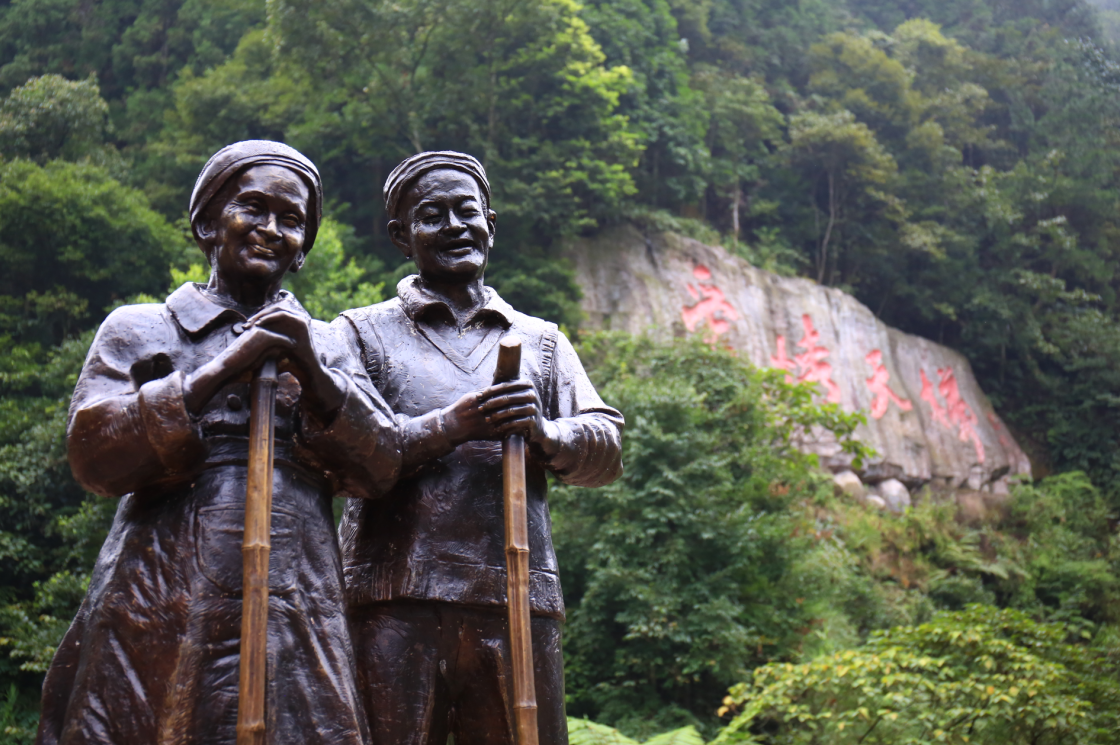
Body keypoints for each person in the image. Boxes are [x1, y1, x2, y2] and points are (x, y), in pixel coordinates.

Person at [36, 140, 400, 745]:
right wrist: (221, 369)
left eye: (291, 221)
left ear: (305, 248)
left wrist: (311, 369)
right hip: (161, 584)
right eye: (251, 208)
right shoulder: (139, 327)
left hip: (296, 596)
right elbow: (93, 455)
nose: (270, 229)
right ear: (208, 221)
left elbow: (382, 466)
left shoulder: (332, 346)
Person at [334, 151, 624, 745]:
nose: (454, 227)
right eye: (432, 216)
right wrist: (453, 424)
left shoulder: (540, 342)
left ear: (491, 223)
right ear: (400, 236)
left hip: (517, 593)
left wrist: (545, 433)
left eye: (466, 212)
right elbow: (341, 458)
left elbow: (606, 446)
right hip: (393, 599)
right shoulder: (358, 334)